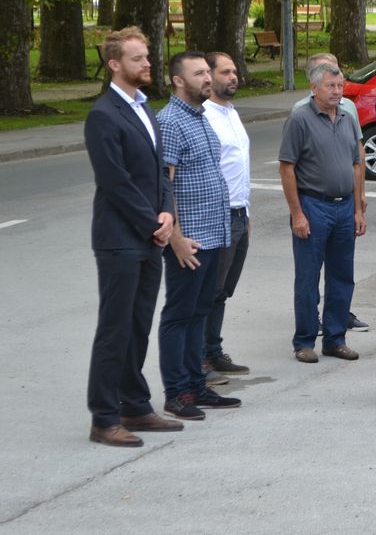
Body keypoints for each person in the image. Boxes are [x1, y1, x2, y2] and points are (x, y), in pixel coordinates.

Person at [84, 27, 182, 447]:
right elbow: (115, 181)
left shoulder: (144, 108)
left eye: (147, 56)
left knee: (138, 325)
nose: (147, 63)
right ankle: (104, 418)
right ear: (114, 64)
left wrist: (168, 214)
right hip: (120, 239)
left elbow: (160, 172)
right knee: (115, 329)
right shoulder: (103, 115)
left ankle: (135, 406)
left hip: (149, 235)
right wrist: (152, 223)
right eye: (137, 58)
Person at [157, 52, 240, 420]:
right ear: (178, 80)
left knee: (199, 313)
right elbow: (164, 185)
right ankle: (177, 393)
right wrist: (175, 237)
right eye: (199, 74)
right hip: (189, 241)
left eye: (208, 72)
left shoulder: (201, 116)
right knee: (179, 315)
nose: (208, 79)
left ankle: (196, 385)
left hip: (213, 234)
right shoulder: (170, 121)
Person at [279, 62, 366, 364]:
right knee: (308, 278)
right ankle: (304, 341)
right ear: (314, 88)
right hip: (313, 205)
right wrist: (297, 213)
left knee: (342, 277)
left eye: (340, 86)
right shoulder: (300, 119)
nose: (337, 91)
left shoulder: (347, 117)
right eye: (331, 86)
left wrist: (358, 209)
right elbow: (287, 168)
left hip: (344, 207)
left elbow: (356, 164)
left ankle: (335, 339)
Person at [200, 52, 251, 384]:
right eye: (225, 72)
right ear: (209, 76)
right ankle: (199, 359)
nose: (233, 77)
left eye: (234, 71)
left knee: (222, 291)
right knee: (208, 291)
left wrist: (247, 213)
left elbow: (238, 167)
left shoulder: (231, 112)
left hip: (240, 215)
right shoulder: (205, 116)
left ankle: (213, 350)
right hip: (218, 216)